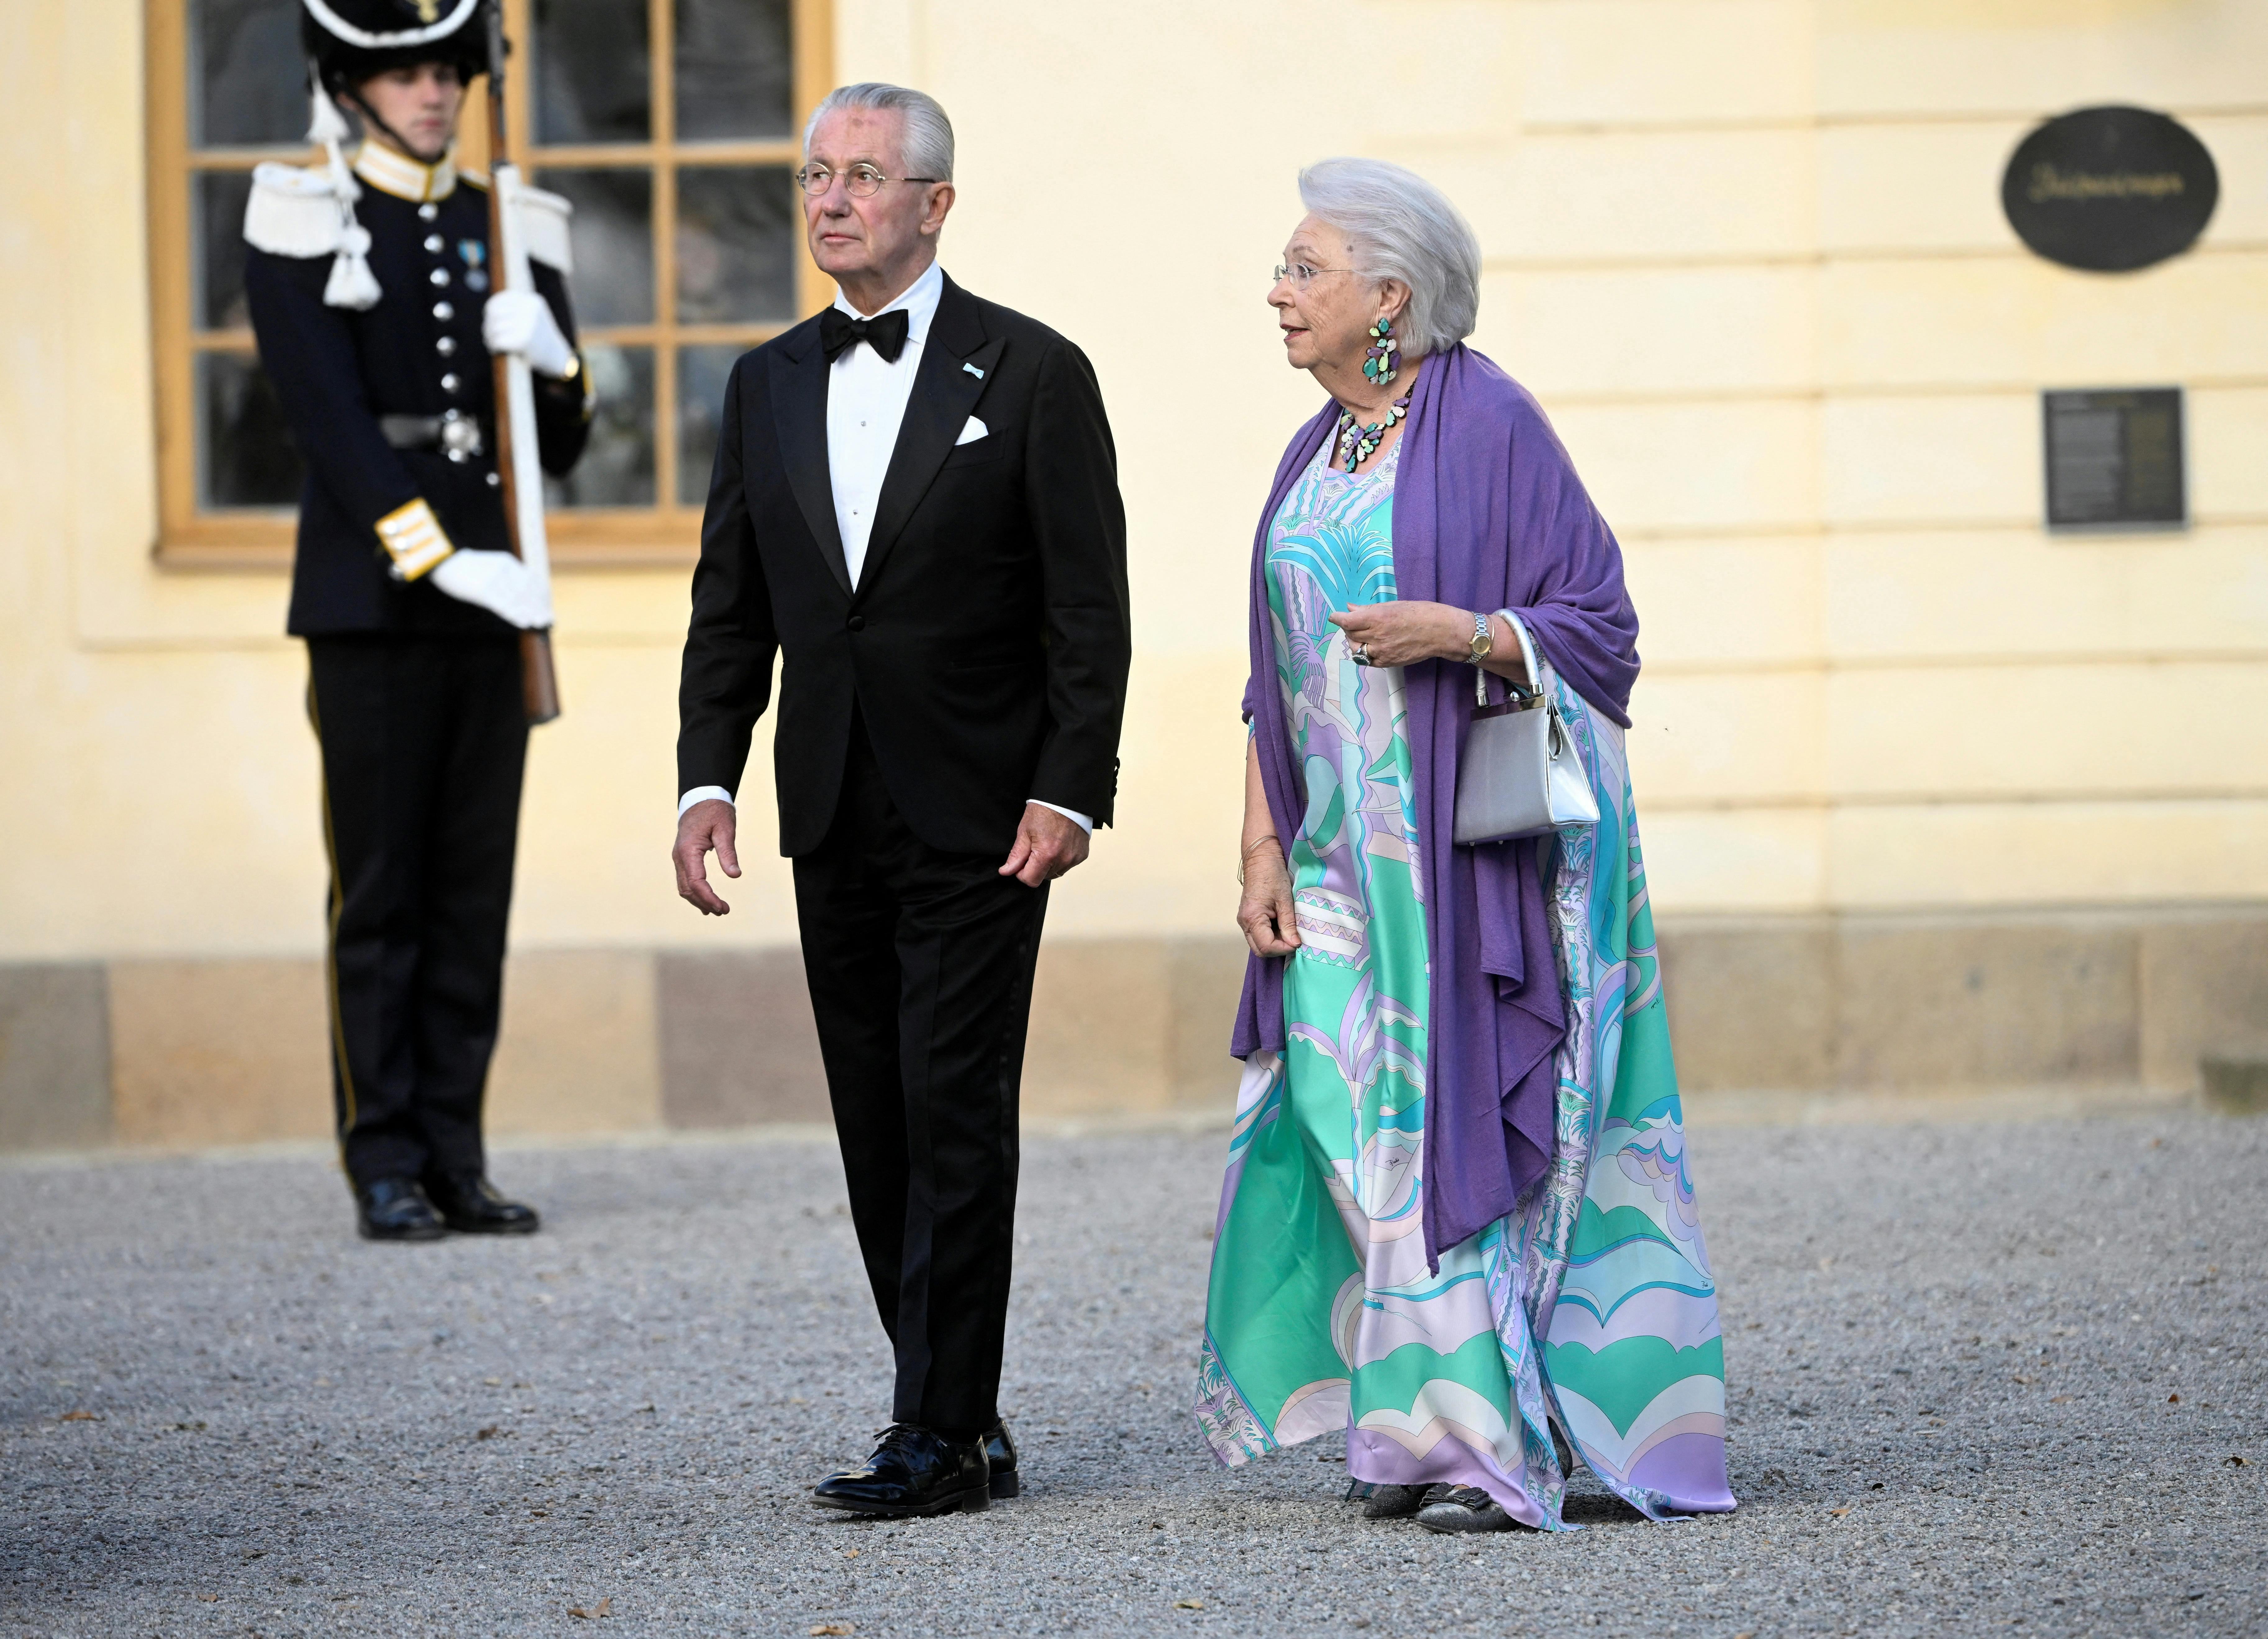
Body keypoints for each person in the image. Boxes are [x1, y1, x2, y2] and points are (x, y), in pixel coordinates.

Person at [1194, 158, 1736, 1533]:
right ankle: (1419, 1413)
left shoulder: (1485, 417)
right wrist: (1257, 843)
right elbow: (1275, 673)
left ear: (1390, 296)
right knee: (1340, 1114)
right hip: (1334, 856)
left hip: (1462, 850)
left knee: (1446, 1117)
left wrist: (1466, 633)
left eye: (1303, 268)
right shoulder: (1316, 447)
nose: (1276, 290)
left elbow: (1597, 621)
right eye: (1283, 267)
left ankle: (1474, 1436)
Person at [671, 83, 1131, 1518]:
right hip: (830, 807)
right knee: (875, 1119)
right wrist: (706, 774)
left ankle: (930, 1429)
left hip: (987, 816)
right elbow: (729, 604)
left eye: (862, 175)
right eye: (816, 172)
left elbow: (1087, 607)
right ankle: (962, 1411)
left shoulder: (1035, 373)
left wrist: (1072, 787)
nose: (830, 198)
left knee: (953, 1109)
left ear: (933, 203)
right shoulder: (761, 382)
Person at [244, 0, 592, 1243]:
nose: (434, 94)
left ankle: (457, 1153)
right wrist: (442, 559)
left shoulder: (510, 220)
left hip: (495, 609)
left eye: (449, 71)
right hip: (377, 604)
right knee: (383, 891)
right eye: (405, 75)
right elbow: (323, 417)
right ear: (354, 86)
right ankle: (382, 1157)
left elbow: (560, 444)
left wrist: (551, 356)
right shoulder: (302, 212)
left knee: (470, 893)